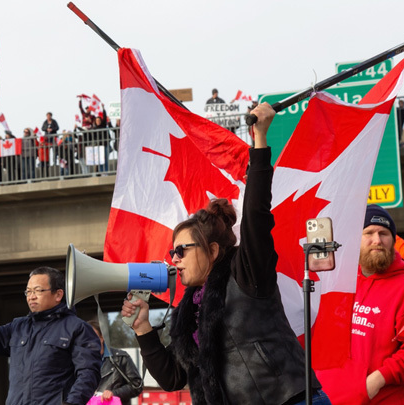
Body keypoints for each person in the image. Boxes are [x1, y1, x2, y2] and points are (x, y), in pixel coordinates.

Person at [121, 103, 328, 404]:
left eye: (181, 250)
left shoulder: (246, 272)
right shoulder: (186, 311)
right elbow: (172, 378)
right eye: (172, 252)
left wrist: (260, 141)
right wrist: (142, 328)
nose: (173, 259)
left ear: (213, 250)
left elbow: (257, 214)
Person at [315, 205, 404, 404]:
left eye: (384, 233)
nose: (377, 240)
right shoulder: (337, 284)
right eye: (368, 233)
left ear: (393, 241)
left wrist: (377, 379)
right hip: (326, 399)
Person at [0, 267, 101, 405]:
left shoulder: (77, 328)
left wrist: (72, 403)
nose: (31, 296)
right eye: (28, 291)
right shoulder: (18, 327)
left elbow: (88, 373)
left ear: (58, 295)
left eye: (38, 290)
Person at [87, 320, 142, 405]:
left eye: (92, 336)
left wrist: (114, 393)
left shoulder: (120, 358)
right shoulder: (78, 361)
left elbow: (137, 385)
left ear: (102, 338)